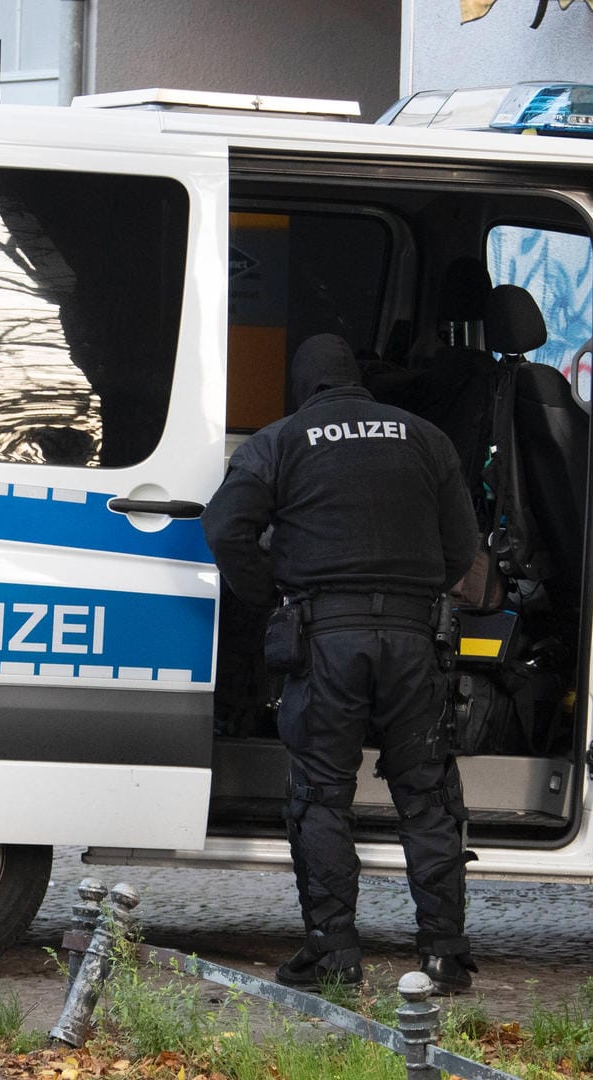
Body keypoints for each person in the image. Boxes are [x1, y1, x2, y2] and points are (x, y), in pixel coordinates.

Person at [202, 333, 480, 994]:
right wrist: (415, 591)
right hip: (413, 642)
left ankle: (333, 953)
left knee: (323, 794)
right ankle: (443, 954)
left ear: (304, 385)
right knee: (428, 793)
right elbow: (462, 545)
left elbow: (224, 527)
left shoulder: (281, 439)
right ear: (359, 379)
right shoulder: (426, 438)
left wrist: (268, 591)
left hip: (324, 638)